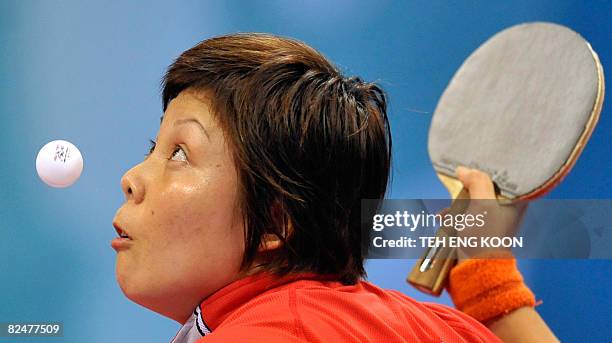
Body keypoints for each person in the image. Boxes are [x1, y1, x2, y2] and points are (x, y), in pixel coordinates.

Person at [112, 33, 558, 342]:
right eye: (156, 146)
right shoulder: (434, 328)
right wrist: (492, 296)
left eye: (179, 153)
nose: (132, 179)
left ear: (275, 222)